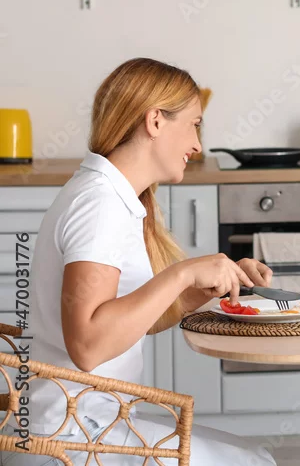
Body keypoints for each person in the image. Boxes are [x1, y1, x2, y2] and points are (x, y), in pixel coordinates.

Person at [2, 58, 276, 465]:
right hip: (70, 438)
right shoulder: (100, 204)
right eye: (194, 124)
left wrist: (198, 288)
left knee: (254, 454)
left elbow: (129, 322)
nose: (198, 145)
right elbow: (88, 346)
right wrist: (182, 273)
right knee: (255, 461)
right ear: (155, 121)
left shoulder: (110, 195)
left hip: (85, 423)